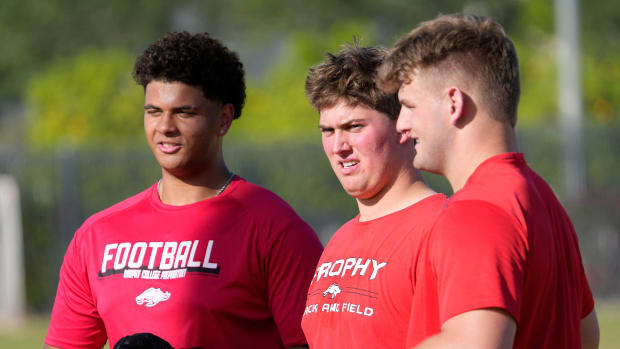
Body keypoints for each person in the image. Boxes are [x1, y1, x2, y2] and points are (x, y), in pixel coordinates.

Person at [44, 32, 323, 349]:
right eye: (153, 111)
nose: (165, 126)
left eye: (184, 112)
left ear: (224, 119)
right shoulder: (96, 235)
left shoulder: (274, 228)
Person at [378, 13, 599, 349]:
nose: (401, 124)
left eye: (409, 105)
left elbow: (478, 343)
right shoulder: (542, 198)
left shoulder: (476, 211)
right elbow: (587, 334)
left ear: (454, 103)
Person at [300, 44, 446, 348]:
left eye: (354, 127)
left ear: (403, 128)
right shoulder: (338, 240)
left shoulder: (442, 228)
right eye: (327, 131)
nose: (338, 146)